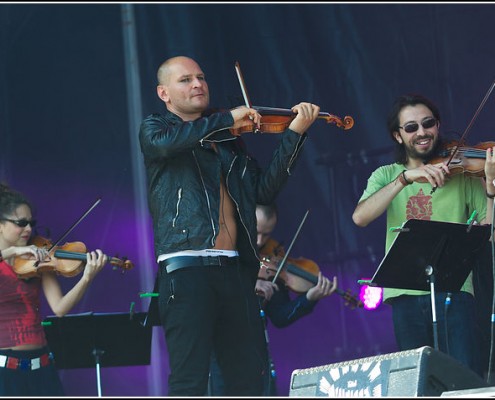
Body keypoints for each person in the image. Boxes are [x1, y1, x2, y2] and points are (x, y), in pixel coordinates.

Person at [138, 55, 321, 396]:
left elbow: (263, 191)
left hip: (235, 270)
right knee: (189, 380)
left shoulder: (228, 140)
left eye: (201, 77)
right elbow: (164, 146)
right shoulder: (156, 129)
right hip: (187, 269)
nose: (197, 84)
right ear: (164, 93)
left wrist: (294, 134)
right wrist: (225, 119)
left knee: (248, 380)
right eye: (185, 80)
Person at [352, 93, 495, 377]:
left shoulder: (465, 175)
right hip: (405, 294)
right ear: (397, 136)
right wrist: (405, 179)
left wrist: (491, 186)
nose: (421, 132)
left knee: (463, 378)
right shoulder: (386, 174)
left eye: (427, 123)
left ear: (438, 126)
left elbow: (488, 234)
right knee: (419, 381)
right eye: (411, 127)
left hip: (456, 291)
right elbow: (360, 217)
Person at [208, 202, 338, 396]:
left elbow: (280, 316)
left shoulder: (272, 264)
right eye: (256, 232)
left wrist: (309, 298)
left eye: (266, 235)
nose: (260, 241)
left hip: (256, 354)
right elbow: (210, 293)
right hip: (221, 351)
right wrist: (248, 286)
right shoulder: (222, 252)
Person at [0, 183, 108, 396]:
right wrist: (12, 250)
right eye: (21, 223)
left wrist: (86, 278)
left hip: (42, 366)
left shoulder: (38, 257)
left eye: (31, 223)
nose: (29, 229)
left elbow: (59, 308)